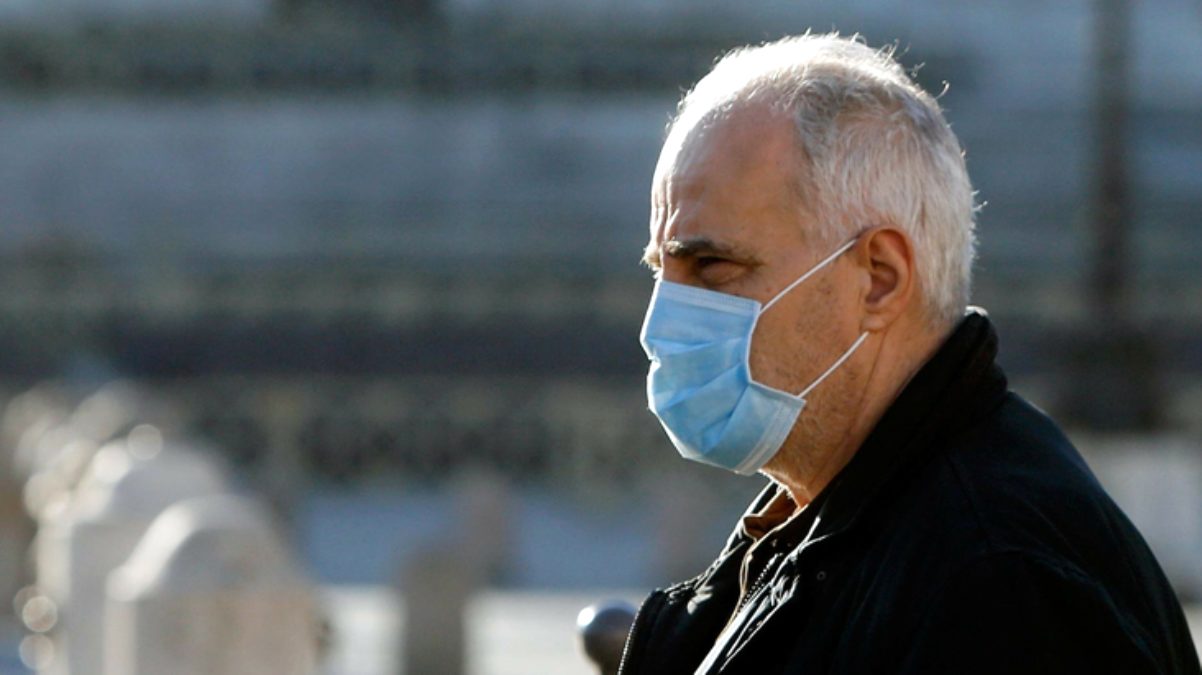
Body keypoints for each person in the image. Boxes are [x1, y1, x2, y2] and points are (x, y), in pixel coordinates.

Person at [622, 33, 1201, 674]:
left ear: (880, 279)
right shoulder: (844, 524)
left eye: (712, 266)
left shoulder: (996, 583)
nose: (658, 324)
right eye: (661, 272)